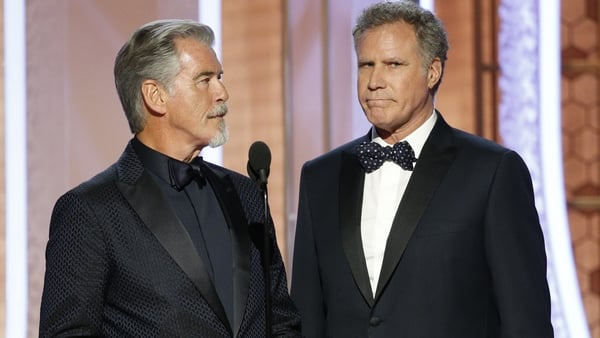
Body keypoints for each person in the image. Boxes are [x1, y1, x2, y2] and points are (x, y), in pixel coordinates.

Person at [290, 1, 553, 337]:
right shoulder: (320, 177)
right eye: (366, 65)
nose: (374, 81)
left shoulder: (492, 172)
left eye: (393, 64)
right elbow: (307, 316)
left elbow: (525, 320)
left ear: (433, 72)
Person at [39, 19, 301, 337]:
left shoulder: (247, 194)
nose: (223, 93)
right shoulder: (90, 211)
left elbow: (282, 322)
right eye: (204, 80)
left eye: (219, 78)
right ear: (156, 96)